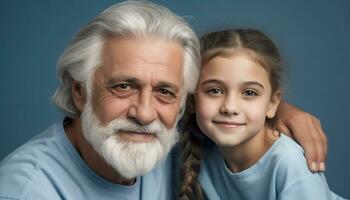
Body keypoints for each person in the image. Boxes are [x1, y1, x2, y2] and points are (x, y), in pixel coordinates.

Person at [0, 1, 327, 199]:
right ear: (80, 90)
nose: (144, 114)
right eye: (124, 86)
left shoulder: (180, 139)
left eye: (165, 91)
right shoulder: (24, 190)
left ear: (185, 101)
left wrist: (281, 111)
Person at [179, 29, 344, 200]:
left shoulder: (288, 161)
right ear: (192, 97)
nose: (230, 107)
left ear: (273, 103)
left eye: (249, 93)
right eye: (214, 90)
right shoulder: (195, 146)